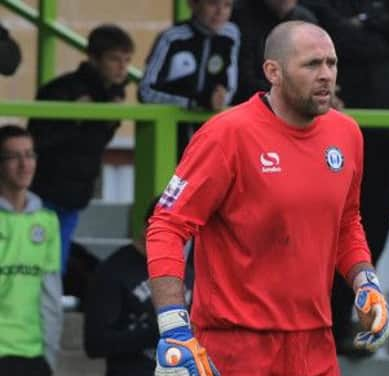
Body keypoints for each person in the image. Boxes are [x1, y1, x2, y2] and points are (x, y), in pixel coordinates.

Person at [146, 21, 389, 376]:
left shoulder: (346, 134)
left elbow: (347, 222)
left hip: (315, 345)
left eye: (331, 63)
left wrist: (366, 281)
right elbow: (167, 226)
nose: (326, 74)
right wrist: (173, 326)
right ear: (273, 72)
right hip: (236, 349)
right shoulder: (227, 134)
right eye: (312, 64)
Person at [300, 0, 389, 355]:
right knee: (326, 234)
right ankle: (323, 322)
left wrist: (367, 23)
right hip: (333, 143)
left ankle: (345, 319)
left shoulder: (382, 5)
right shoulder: (319, 8)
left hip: (386, 144)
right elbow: (341, 42)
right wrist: (384, 36)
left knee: (373, 234)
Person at [28, 24, 134, 274]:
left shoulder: (113, 96)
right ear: (94, 59)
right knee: (42, 265)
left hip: (75, 195)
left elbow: (93, 145)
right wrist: (75, 119)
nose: (122, 67)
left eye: (127, 60)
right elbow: (38, 139)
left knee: (55, 266)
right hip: (46, 191)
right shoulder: (62, 91)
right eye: (114, 59)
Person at [84, 197, 193, 376]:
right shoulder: (114, 271)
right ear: (149, 227)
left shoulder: (189, 268)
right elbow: (95, 343)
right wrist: (153, 332)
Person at [0, 125, 62, 376]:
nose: (25, 164)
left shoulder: (46, 221)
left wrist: (48, 358)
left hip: (34, 359)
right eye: (14, 157)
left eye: (30, 155)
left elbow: (50, 295)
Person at [138, 0, 240, 157]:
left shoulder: (231, 34)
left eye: (227, 5)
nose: (220, 12)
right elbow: (145, 91)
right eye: (212, 4)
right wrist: (194, 102)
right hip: (169, 138)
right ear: (192, 4)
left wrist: (221, 98)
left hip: (211, 141)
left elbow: (229, 88)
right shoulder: (172, 38)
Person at [231, 0, 317, 105]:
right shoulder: (240, 16)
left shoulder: (306, 21)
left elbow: (314, 68)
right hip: (248, 104)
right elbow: (243, 79)